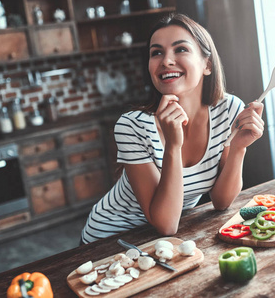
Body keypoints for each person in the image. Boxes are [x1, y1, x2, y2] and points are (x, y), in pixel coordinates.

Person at [81, 13, 264, 244]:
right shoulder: (132, 126)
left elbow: (221, 201)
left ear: (207, 64)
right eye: (156, 52)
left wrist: (238, 148)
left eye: (180, 49)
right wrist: (173, 146)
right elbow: (166, 224)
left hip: (170, 237)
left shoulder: (228, 110)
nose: (166, 60)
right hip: (109, 239)